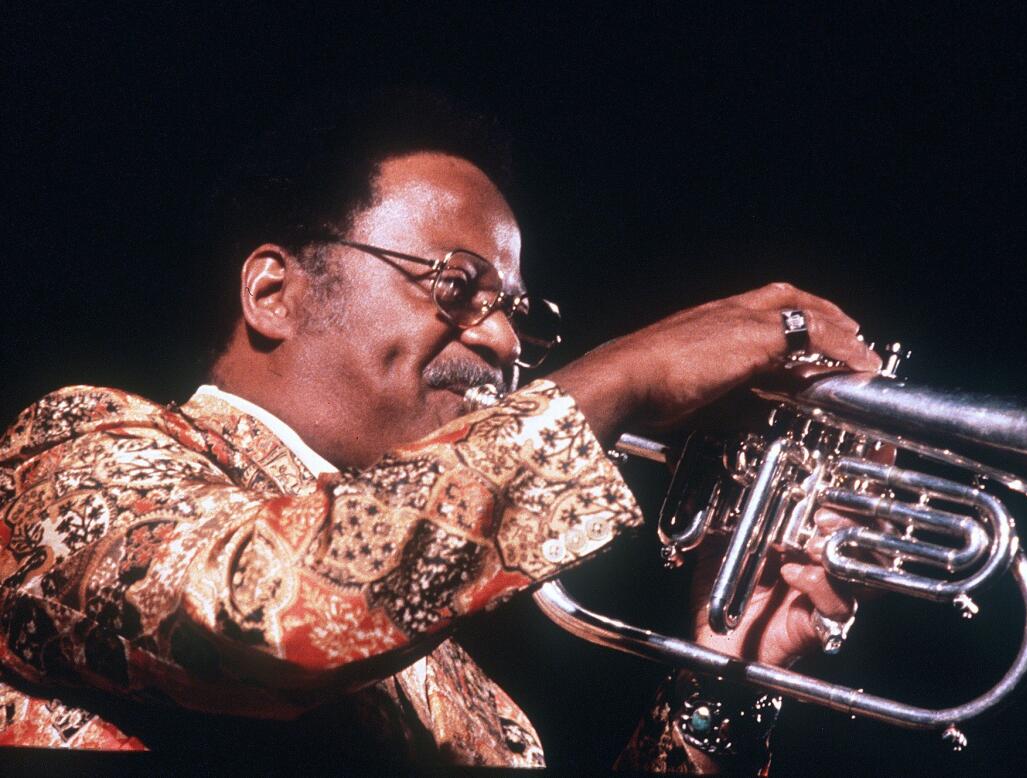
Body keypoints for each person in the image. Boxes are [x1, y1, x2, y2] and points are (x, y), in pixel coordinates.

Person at [0, 89, 880, 771]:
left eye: (517, 314)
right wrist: (629, 370)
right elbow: (254, 616)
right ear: (274, 293)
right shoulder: (75, 448)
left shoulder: (491, 724)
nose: (502, 341)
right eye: (458, 287)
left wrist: (720, 679)